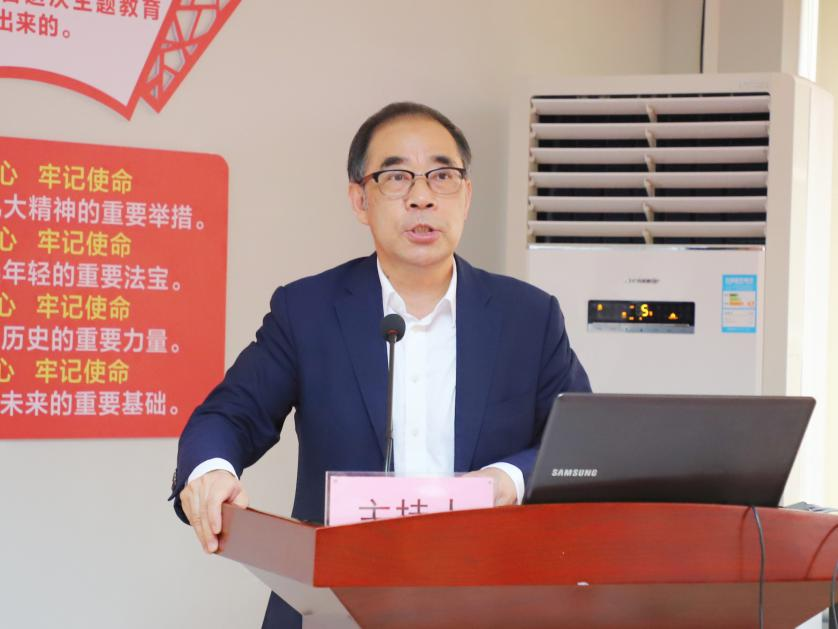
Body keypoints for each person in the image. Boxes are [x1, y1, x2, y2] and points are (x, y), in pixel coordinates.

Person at [170, 102, 591, 627]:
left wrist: (507, 479)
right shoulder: (308, 310)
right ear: (360, 200)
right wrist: (211, 473)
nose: (422, 196)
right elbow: (229, 414)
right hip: (333, 603)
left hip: (488, 602)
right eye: (396, 177)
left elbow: (579, 445)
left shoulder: (529, 316)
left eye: (442, 175)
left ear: (466, 195)